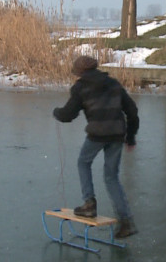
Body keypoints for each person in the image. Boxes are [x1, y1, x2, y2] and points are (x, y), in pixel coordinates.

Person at [53, 55, 140, 239]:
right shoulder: (113, 83)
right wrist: (130, 137)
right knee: (111, 178)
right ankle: (126, 223)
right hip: (117, 134)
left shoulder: (80, 87)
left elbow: (68, 115)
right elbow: (132, 111)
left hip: (97, 133)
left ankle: (89, 204)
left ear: (80, 72)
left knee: (83, 163)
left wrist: (56, 113)